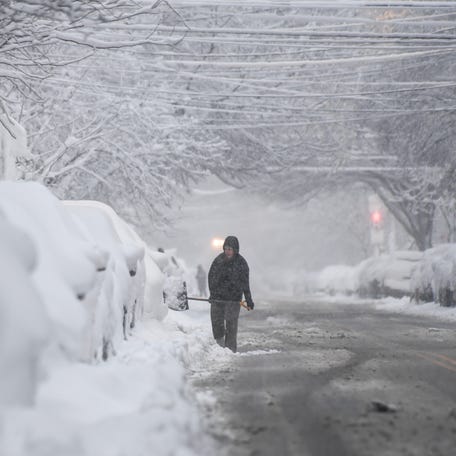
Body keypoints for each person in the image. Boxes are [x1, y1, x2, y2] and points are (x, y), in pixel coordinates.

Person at [208, 236, 254, 352]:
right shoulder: (218, 261)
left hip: (233, 300)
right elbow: (211, 278)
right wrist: (213, 294)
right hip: (218, 298)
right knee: (217, 323)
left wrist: (248, 299)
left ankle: (230, 350)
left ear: (235, 250)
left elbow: (245, 283)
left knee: (231, 326)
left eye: (230, 249)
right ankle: (219, 347)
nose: (227, 251)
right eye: (226, 248)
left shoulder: (241, 263)